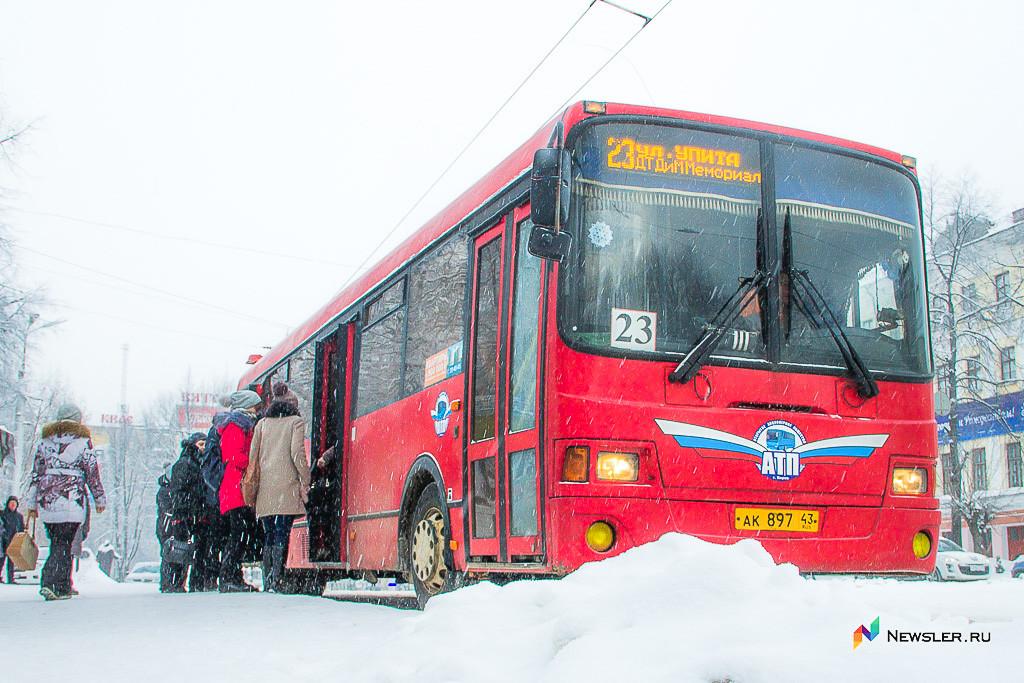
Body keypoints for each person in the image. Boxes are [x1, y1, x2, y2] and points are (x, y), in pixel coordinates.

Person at [24, 403, 107, 600]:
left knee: (57, 541)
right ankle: (52, 582)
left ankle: (62, 585)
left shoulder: (45, 442)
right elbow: (92, 473)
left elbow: (36, 474)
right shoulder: (83, 442)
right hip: (71, 499)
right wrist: (99, 498)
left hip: (47, 499)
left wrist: (31, 503)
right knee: (64, 542)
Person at [249, 382, 309, 592]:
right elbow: (297, 454)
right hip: (286, 486)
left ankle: (268, 580)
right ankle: (278, 579)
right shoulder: (295, 422)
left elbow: (253, 456)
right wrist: (305, 478)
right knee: (283, 532)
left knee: (269, 533)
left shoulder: (262, 424)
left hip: (265, 488)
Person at [218, 389, 261, 592]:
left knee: (240, 535)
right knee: (238, 535)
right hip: (236, 489)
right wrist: (253, 464)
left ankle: (233, 577)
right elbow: (232, 455)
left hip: (237, 489)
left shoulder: (242, 425)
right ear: (246, 406)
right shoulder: (236, 426)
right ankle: (228, 577)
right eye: (255, 405)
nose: (257, 408)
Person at [167, 433, 208, 592]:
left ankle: (193, 583)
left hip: (197, 513)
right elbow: (179, 490)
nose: (203, 447)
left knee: (198, 549)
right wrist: (188, 507)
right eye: (200, 444)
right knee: (182, 549)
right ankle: (177, 583)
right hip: (187, 513)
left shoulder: (199, 463)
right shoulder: (185, 464)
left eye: (205, 444)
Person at [2, 496, 26, 583]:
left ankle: (11, 578)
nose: (13, 505)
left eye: (14, 504)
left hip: (14, 541)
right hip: (3, 540)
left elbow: (21, 528)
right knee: (1, 559)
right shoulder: (2, 514)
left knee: (12, 560)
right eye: (11, 503)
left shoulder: (19, 516)